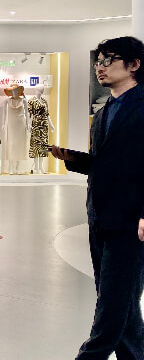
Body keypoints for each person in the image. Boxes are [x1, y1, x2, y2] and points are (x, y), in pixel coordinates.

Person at [51, 36, 144, 359]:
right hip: (101, 217)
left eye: (108, 60)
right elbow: (108, 163)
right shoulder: (106, 110)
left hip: (131, 222)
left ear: (134, 65)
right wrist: (75, 160)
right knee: (121, 304)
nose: (99, 67)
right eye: (98, 61)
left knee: (111, 308)